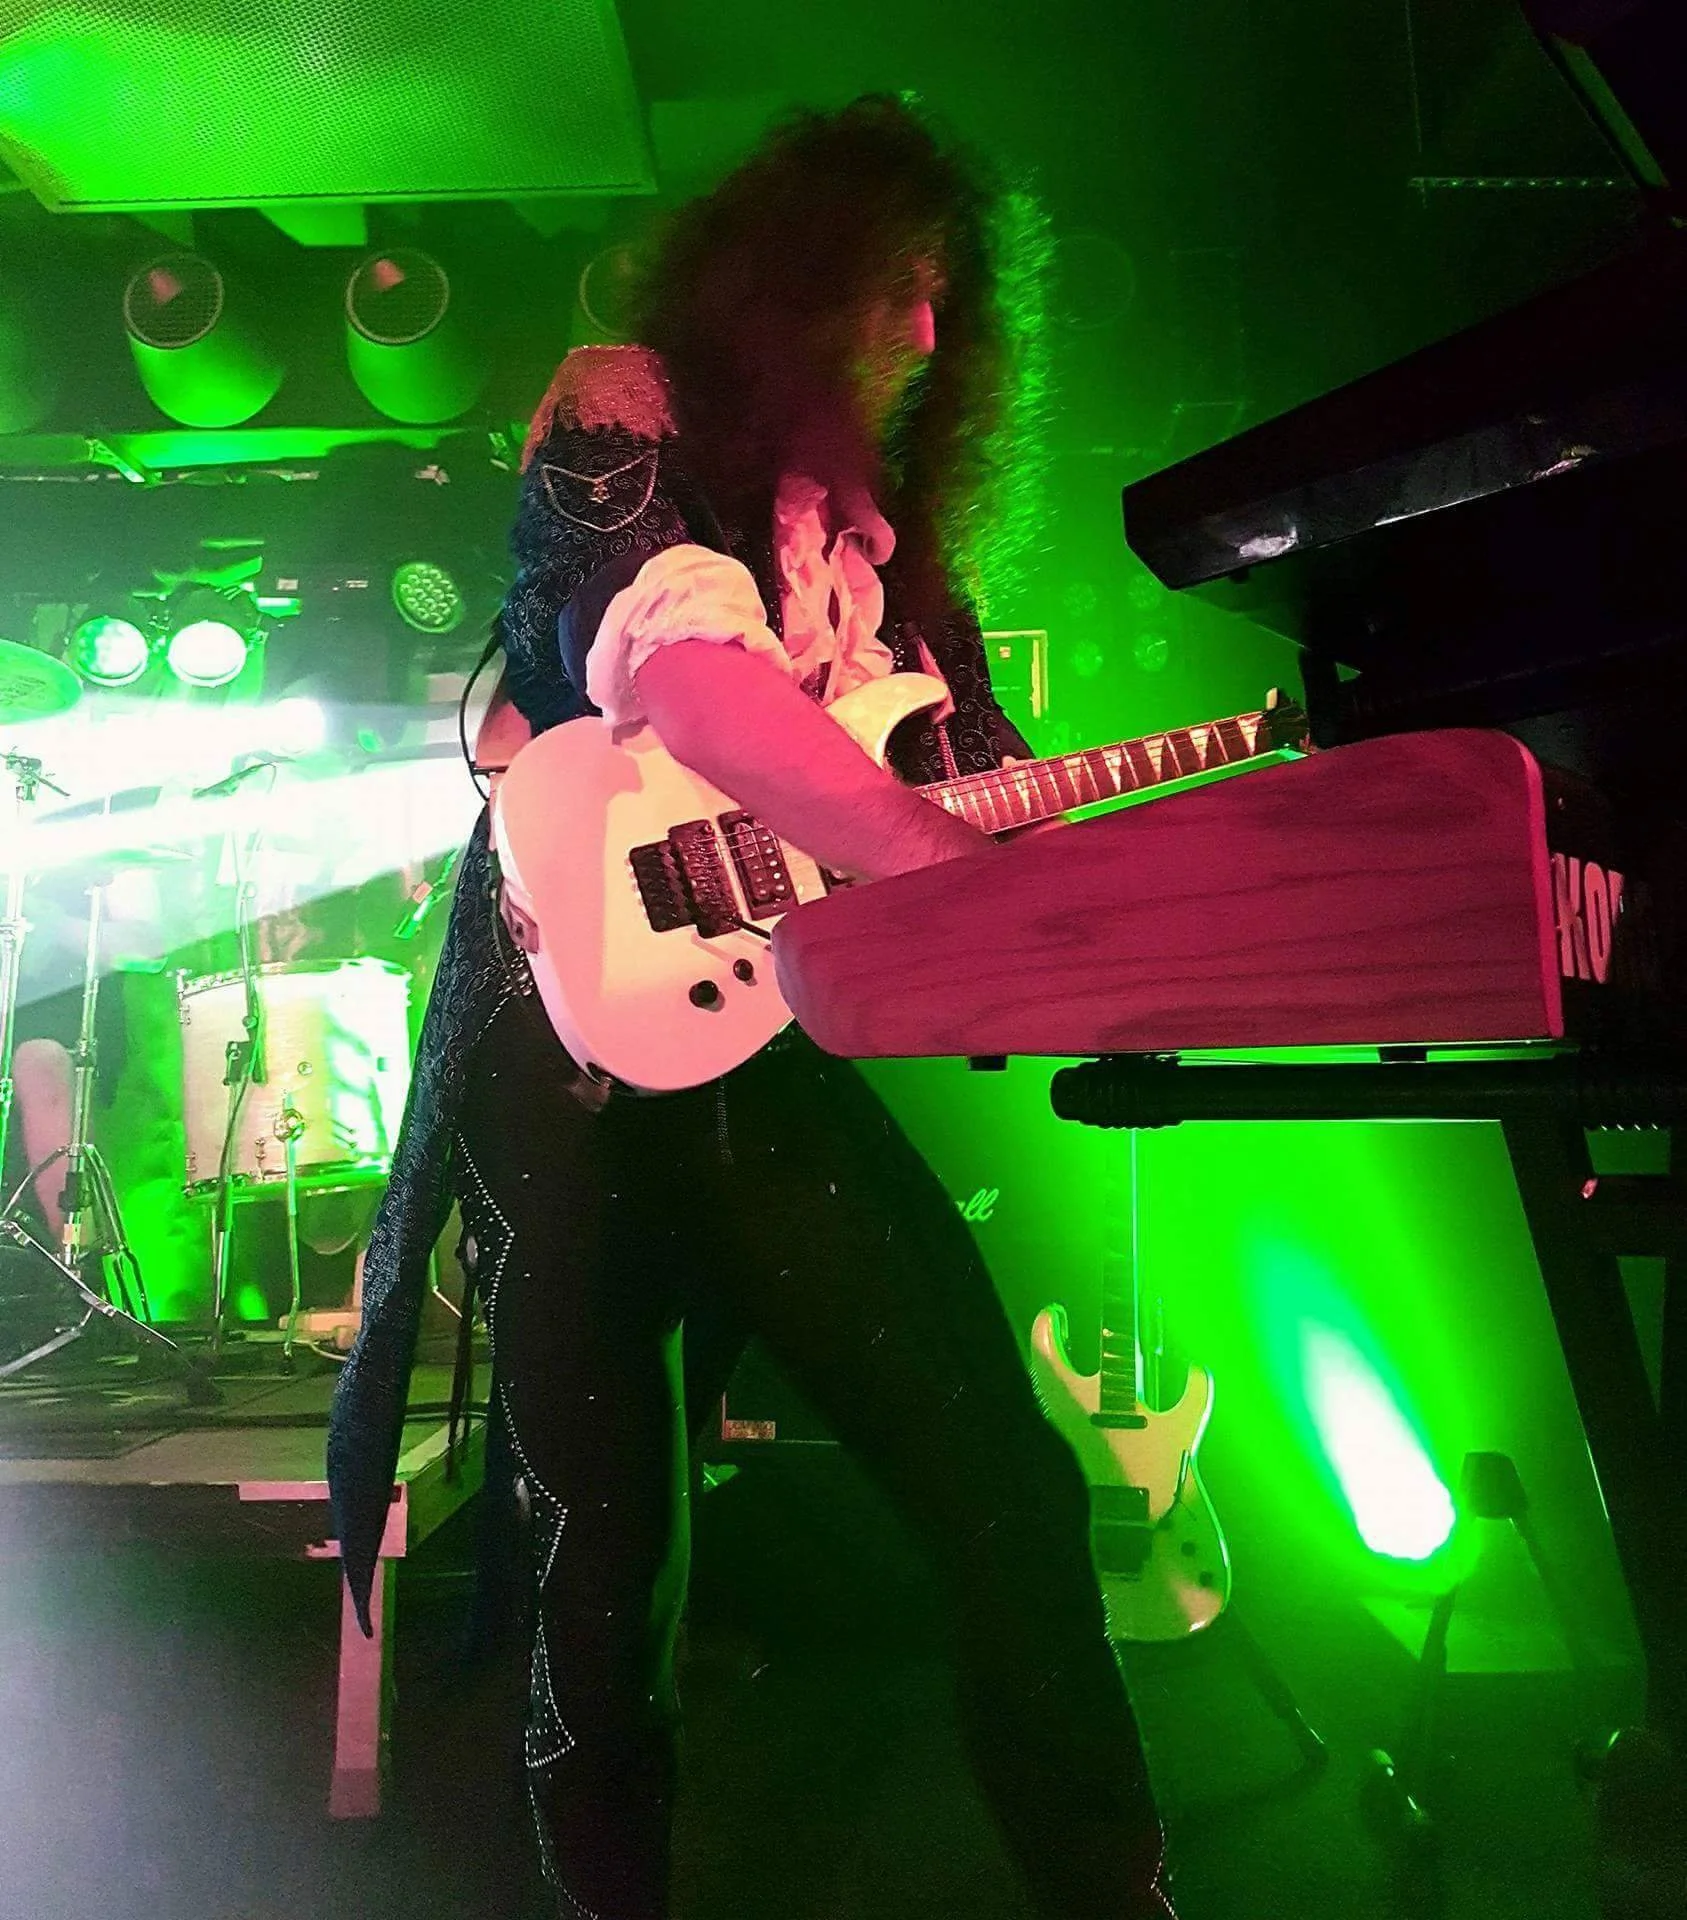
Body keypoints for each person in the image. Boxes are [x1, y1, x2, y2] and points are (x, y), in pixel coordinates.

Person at [329, 97, 1172, 1920]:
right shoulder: (623, 414)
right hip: (554, 1052)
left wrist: (1153, 918)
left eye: (953, 302)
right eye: (904, 289)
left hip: (768, 1055)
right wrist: (921, 852)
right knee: (602, 1562)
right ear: (807, 278)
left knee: (1003, 1493)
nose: (931, 340)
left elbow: (992, 813)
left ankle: (1117, 1893)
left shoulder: (889, 567)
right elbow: (690, 684)